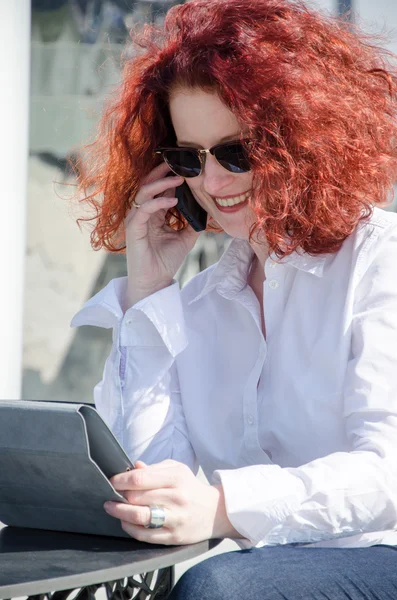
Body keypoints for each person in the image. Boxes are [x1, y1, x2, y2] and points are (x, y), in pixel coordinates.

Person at [71, 0, 397, 597]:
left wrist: (223, 508)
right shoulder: (199, 303)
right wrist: (148, 288)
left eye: (236, 152)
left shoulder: (382, 262)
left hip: (383, 551)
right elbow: (146, 477)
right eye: (187, 157)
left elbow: (387, 477)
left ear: (302, 141)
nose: (212, 183)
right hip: (264, 571)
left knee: (217, 588)